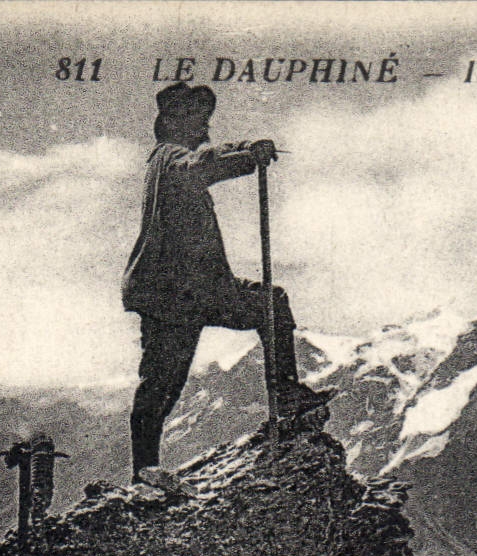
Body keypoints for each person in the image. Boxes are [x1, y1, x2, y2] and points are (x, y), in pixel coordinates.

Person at [122, 82, 328, 484]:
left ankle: (284, 398)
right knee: (163, 382)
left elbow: (210, 155)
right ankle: (144, 470)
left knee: (269, 305)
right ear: (172, 122)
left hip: (195, 291)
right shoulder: (171, 160)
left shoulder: (168, 160)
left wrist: (249, 146)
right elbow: (203, 164)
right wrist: (249, 158)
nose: (205, 127)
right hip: (177, 294)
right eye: (198, 120)